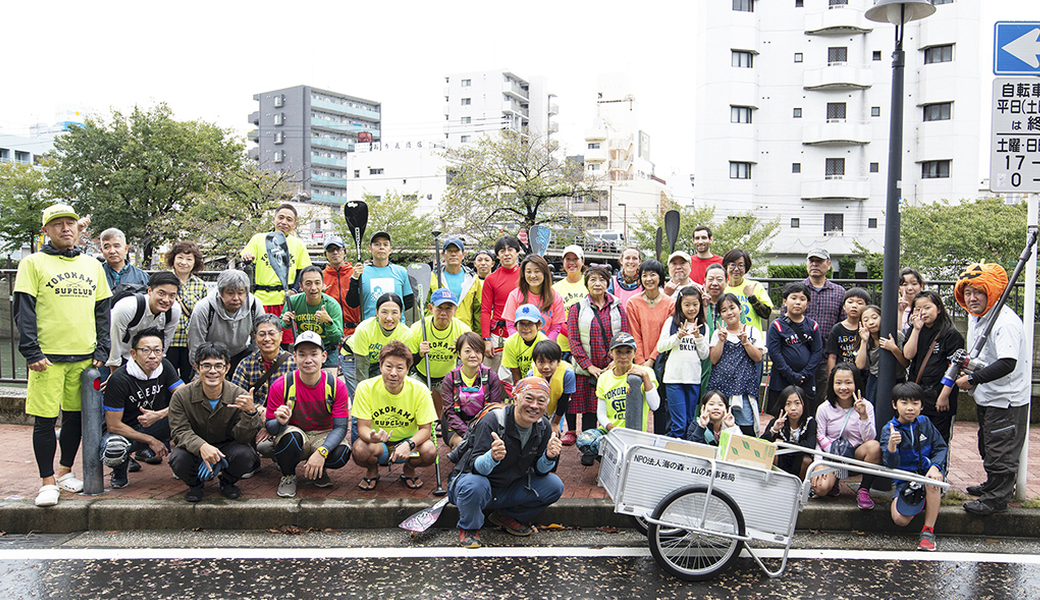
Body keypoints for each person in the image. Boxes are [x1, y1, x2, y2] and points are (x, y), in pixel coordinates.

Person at [15, 204, 111, 507]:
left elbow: (102, 310)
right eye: (57, 224)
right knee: (44, 420)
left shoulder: (92, 265)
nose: (65, 228)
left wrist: (103, 347)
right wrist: (31, 350)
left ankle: (65, 471)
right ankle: (46, 481)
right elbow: (24, 311)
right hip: (47, 357)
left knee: (75, 418)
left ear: (78, 228)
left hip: (84, 357)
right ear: (46, 230)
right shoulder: (33, 263)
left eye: (70, 223)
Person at [951, 263, 1031, 516]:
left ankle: (997, 499)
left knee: (1001, 449)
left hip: (1006, 399)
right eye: (967, 292)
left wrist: (973, 379)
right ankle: (992, 485)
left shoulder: (1005, 322)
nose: (972, 298)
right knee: (988, 444)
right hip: (988, 395)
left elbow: (1007, 363)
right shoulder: (979, 317)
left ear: (991, 292)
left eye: (978, 292)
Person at [448, 376, 564, 548]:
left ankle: (506, 516)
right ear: (515, 398)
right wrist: (492, 457)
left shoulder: (543, 426)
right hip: (475, 484)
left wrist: (549, 456)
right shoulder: (492, 421)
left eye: (541, 401)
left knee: (554, 485)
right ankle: (470, 528)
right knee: (475, 484)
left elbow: (540, 471)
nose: (534, 406)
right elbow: (476, 468)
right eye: (529, 398)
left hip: (509, 486)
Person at [168, 342, 263, 502]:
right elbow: (179, 431)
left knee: (246, 455)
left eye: (218, 366)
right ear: (197, 368)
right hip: (194, 448)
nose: (213, 371)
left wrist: (250, 413)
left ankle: (227, 482)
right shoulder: (181, 395)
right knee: (178, 458)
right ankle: (195, 485)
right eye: (206, 366)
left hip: (227, 447)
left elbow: (243, 438)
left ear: (227, 368)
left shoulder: (238, 394)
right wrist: (201, 446)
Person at [264, 331, 352, 497]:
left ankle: (318, 470)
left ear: (324, 357)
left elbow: (340, 427)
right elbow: (270, 427)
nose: (308, 360)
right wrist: (281, 422)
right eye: (302, 354)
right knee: (291, 439)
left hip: (322, 434)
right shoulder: (281, 385)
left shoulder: (336, 386)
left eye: (314, 354)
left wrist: (322, 451)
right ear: (294, 358)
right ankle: (288, 475)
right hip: (295, 434)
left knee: (341, 454)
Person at [100, 328, 183, 489]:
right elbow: (113, 425)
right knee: (114, 448)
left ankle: (183, 465)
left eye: (157, 350)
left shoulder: (165, 366)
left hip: (156, 424)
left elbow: (186, 398)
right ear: (133, 354)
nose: (152, 356)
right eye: (146, 350)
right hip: (125, 431)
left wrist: (159, 415)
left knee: (192, 416)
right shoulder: (119, 378)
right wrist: (151, 440)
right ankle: (120, 471)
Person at [351, 341, 438, 491]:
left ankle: (409, 469)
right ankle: (372, 470)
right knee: (359, 449)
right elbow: (363, 427)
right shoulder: (365, 388)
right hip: (379, 446)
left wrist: (408, 444)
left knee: (429, 450)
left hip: (409, 445)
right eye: (388, 366)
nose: (393, 373)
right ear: (380, 366)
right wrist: (372, 437)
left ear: (408, 369)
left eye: (400, 368)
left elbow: (425, 429)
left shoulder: (420, 390)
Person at [878, 382, 948, 551]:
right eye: (904, 403)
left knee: (932, 481)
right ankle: (922, 498)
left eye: (915, 403)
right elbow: (890, 465)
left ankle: (928, 532)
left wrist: (935, 467)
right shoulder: (889, 429)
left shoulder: (925, 423)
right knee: (899, 519)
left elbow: (941, 447)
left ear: (921, 406)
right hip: (906, 480)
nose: (910, 408)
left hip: (927, 474)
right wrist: (892, 447)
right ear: (894, 404)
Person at [564, 266, 628, 445]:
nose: (597, 283)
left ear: (608, 283)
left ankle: (610, 446)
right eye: (593, 279)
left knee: (611, 408)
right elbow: (574, 340)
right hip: (588, 371)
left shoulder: (618, 307)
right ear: (586, 284)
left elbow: (624, 336)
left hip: (612, 369)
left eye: (602, 279)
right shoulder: (577, 308)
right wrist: (588, 366)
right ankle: (589, 447)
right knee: (589, 411)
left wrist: (614, 363)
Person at [576, 332, 660, 465]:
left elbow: (655, 405)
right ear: (611, 353)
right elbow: (601, 414)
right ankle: (608, 460)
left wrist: (645, 377)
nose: (623, 356)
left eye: (628, 351)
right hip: (611, 432)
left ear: (634, 353)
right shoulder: (604, 377)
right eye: (618, 351)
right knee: (585, 440)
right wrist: (614, 429)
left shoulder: (646, 372)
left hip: (635, 434)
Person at [811, 362, 881, 510]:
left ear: (856, 383)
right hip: (832, 456)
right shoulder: (824, 408)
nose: (843, 387)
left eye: (848, 382)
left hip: (855, 456)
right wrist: (818, 464)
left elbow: (869, 439)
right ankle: (833, 482)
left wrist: (863, 416)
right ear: (832, 385)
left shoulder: (867, 406)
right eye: (838, 383)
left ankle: (864, 490)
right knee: (820, 487)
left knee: (874, 447)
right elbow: (819, 437)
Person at [240, 203, 313, 345]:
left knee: (284, 342)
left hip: (285, 301)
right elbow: (246, 262)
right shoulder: (258, 239)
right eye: (281, 217)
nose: (284, 222)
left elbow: (303, 272)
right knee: (262, 341)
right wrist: (247, 259)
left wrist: (294, 290)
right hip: (261, 300)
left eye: (289, 219)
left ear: (294, 224)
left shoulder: (298, 244)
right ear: (274, 219)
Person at [902, 290, 964, 443]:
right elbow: (908, 355)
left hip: (939, 395)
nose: (922, 312)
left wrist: (944, 396)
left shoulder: (951, 334)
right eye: (918, 308)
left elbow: (955, 367)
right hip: (918, 394)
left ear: (939, 308)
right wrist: (916, 330)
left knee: (938, 440)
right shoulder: (915, 329)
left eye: (927, 307)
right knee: (915, 439)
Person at [789, 248, 845, 415]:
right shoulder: (796, 291)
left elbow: (843, 325)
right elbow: (785, 322)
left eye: (819, 261)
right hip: (798, 358)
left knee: (823, 402)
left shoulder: (839, 292)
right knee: (797, 402)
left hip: (826, 359)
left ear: (828, 264)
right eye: (811, 261)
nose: (814, 264)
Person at [626, 260, 675, 435]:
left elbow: (666, 335)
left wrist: (652, 359)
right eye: (644, 275)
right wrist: (641, 361)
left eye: (653, 274)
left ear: (660, 277)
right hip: (638, 360)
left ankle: (659, 440)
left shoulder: (670, 304)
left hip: (662, 360)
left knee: (660, 404)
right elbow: (634, 333)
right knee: (637, 403)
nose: (648, 279)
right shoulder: (633, 303)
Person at [706, 293, 765, 437]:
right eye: (724, 310)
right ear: (720, 315)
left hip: (743, 389)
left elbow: (758, 357)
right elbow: (713, 360)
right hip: (720, 389)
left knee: (746, 428)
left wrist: (746, 342)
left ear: (740, 308)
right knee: (719, 428)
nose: (729, 312)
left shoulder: (752, 331)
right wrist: (721, 340)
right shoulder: (718, 333)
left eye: (732, 308)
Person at [656, 286, 711, 439]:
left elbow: (704, 355)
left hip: (693, 379)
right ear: (680, 305)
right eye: (687, 304)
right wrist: (677, 337)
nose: (691, 308)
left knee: (689, 421)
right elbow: (660, 347)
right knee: (678, 424)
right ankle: (675, 450)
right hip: (674, 379)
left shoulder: (703, 327)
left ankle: (687, 449)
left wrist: (698, 338)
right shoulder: (671, 323)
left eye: (695, 304)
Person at [187, 269, 265, 373]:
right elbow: (196, 343)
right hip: (211, 356)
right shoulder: (204, 308)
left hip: (241, 353)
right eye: (230, 293)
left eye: (240, 293)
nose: (236, 298)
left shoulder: (254, 305)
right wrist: (198, 371)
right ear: (220, 293)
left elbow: (259, 338)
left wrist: (258, 365)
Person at [409, 288, 470, 420]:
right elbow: (407, 363)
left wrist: (462, 352)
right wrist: (419, 354)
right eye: (439, 308)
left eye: (448, 308)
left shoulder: (463, 330)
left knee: (461, 403)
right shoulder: (418, 328)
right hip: (421, 375)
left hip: (446, 377)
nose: (443, 313)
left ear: (455, 309)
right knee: (410, 397)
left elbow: (472, 363)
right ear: (430, 308)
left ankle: (449, 425)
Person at [766, 282, 823, 415]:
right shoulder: (777, 325)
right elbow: (775, 353)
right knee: (779, 416)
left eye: (802, 299)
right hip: (781, 380)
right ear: (785, 301)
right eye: (793, 298)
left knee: (805, 415)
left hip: (806, 381)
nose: (798, 302)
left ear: (807, 303)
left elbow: (817, 352)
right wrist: (790, 375)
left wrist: (805, 374)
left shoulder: (813, 326)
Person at [107, 271, 181, 372]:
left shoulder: (174, 310)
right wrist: (114, 371)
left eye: (172, 296)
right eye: (161, 293)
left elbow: (165, 341)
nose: (166, 300)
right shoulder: (127, 308)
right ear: (149, 291)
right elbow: (114, 339)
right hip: (121, 356)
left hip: (148, 359)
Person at [441, 332, 504, 449]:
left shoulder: (491, 376)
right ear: (459, 353)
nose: (473, 355)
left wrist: (480, 432)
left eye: (478, 351)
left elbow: (494, 408)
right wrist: (469, 434)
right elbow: (449, 412)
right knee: (463, 445)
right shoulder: (450, 379)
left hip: (484, 426)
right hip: (455, 428)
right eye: (467, 351)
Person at [281, 266, 343, 375]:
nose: (313, 288)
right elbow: (280, 322)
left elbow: (336, 340)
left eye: (317, 283)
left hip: (327, 348)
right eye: (308, 283)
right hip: (303, 347)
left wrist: (328, 323)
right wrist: (286, 321)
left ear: (323, 285)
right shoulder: (293, 302)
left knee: (328, 382)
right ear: (301, 286)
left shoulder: (332, 305)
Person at [231, 314, 297, 414]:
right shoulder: (246, 364)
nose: (267, 339)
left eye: (271, 333)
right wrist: (258, 410)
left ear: (281, 336)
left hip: (286, 417)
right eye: (262, 334)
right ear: (255, 337)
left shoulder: (294, 363)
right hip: (254, 417)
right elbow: (236, 397)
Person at [346, 230, 415, 324]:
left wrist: (391, 314)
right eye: (377, 244)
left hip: (396, 327)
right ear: (370, 249)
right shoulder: (361, 272)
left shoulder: (401, 272)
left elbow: (409, 301)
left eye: (385, 244)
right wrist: (354, 279)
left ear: (390, 249)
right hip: (370, 328)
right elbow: (352, 303)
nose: (381, 247)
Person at [165, 241, 208, 382]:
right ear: (173, 259)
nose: (184, 262)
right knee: (167, 380)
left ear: (195, 262)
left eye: (189, 259)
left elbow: (206, 314)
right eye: (180, 257)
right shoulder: (164, 280)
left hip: (191, 343)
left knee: (189, 380)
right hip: (169, 341)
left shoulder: (200, 285)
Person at [347, 293, 415, 383]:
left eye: (394, 312)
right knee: (360, 389)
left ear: (400, 314)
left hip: (378, 362)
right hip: (353, 358)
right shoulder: (364, 329)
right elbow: (361, 367)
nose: (389, 318)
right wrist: (362, 388)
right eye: (384, 312)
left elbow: (400, 364)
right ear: (377, 313)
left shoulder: (406, 334)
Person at [480, 236, 522, 371]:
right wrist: (486, 339)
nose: (507, 254)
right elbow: (485, 311)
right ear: (497, 256)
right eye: (502, 251)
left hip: (523, 333)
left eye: (510, 250)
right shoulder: (491, 279)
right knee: (491, 377)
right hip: (498, 335)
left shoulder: (526, 276)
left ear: (517, 252)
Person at [855, 304, 908, 408]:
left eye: (874, 318)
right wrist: (864, 341)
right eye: (866, 320)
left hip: (897, 380)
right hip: (875, 381)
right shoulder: (865, 338)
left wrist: (893, 348)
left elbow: (905, 363)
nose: (871, 322)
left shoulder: (896, 335)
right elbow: (860, 365)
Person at [503, 255, 564, 340]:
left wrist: (545, 346)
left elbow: (555, 328)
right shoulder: (514, 295)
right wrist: (522, 344)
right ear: (523, 274)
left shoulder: (556, 297)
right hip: (520, 345)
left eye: (537, 271)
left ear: (545, 273)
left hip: (545, 345)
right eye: (528, 272)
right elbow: (510, 326)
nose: (532, 275)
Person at [761, 386, 817, 479]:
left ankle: (800, 485)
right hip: (781, 459)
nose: (793, 408)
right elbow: (762, 444)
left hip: (799, 460)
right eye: (788, 404)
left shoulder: (810, 422)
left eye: (797, 403)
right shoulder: (777, 421)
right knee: (773, 453)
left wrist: (783, 443)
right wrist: (774, 430)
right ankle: (773, 481)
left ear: (804, 404)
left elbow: (810, 446)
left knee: (807, 460)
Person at [430, 237, 482, 332]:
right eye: (449, 251)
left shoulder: (472, 279)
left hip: (465, 332)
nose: (453, 254)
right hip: (439, 331)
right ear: (443, 255)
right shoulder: (433, 277)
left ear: (463, 254)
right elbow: (426, 307)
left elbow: (478, 310)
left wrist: (479, 335)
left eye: (457, 251)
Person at [527, 340, 576, 433]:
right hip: (537, 409)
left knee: (554, 433)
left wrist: (555, 423)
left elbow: (564, 399)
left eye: (551, 362)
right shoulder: (531, 374)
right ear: (535, 363)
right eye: (541, 362)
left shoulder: (567, 373)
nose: (546, 367)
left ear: (558, 362)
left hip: (556, 408)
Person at [721, 248, 773, 333]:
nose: (736, 269)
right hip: (728, 337)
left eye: (741, 265)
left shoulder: (755, 286)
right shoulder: (722, 289)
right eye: (732, 265)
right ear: (726, 266)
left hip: (752, 337)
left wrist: (752, 297)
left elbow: (766, 314)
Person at [501, 304, 549, 391]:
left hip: (541, 383)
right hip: (523, 382)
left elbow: (546, 372)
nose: (525, 328)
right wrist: (522, 390)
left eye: (530, 323)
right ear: (516, 325)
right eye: (521, 324)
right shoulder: (510, 342)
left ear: (539, 325)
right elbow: (515, 372)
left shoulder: (545, 342)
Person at [825, 288, 871, 376]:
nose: (854, 306)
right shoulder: (837, 329)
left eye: (859, 303)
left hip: (864, 374)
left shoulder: (868, 328)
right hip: (842, 373)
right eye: (850, 302)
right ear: (844, 306)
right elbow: (832, 356)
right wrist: (831, 377)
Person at [553, 245, 588, 358]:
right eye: (568, 259)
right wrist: (572, 335)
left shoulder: (590, 284)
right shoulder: (555, 288)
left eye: (575, 259)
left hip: (587, 346)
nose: (571, 263)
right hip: (562, 347)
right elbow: (554, 318)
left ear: (582, 261)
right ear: (563, 262)